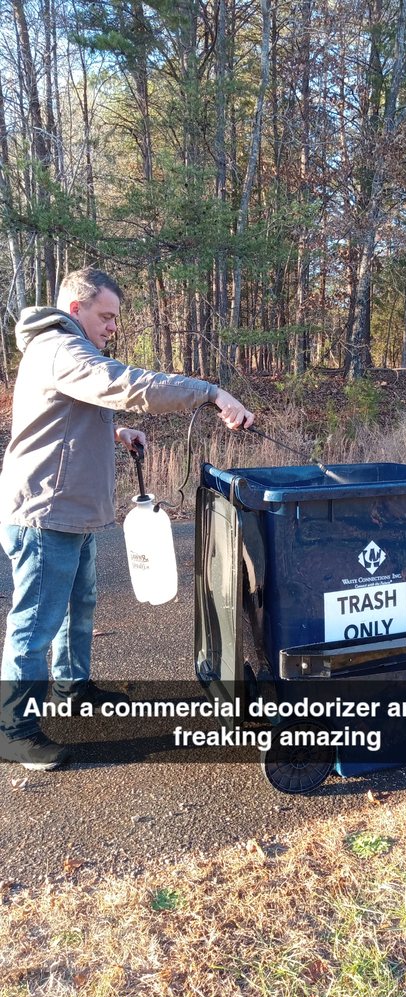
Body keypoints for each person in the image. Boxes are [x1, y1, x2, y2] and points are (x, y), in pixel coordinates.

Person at [0, 267, 254, 771]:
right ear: (77, 310)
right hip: (45, 512)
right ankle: (13, 729)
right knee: (35, 622)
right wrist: (208, 392)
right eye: (106, 316)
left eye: (116, 318)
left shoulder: (66, 351)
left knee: (79, 604)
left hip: (71, 509)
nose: (113, 326)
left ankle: (73, 688)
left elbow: (68, 412)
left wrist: (117, 433)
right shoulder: (60, 347)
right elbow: (122, 384)